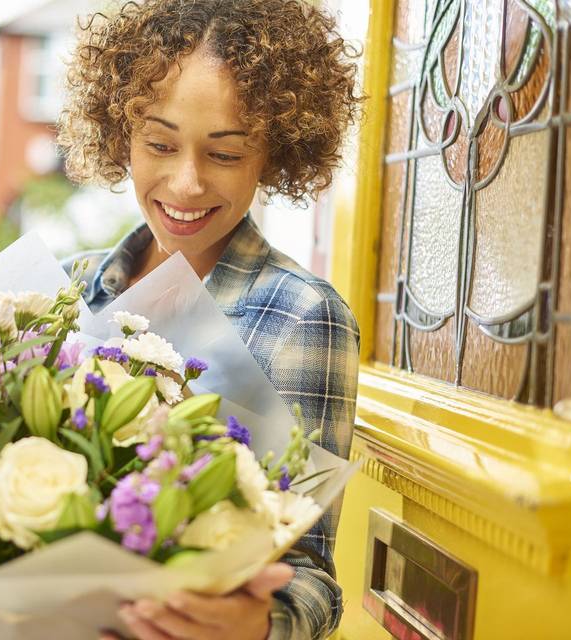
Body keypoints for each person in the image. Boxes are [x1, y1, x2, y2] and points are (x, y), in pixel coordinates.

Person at [57, 1, 361, 638]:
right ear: (122, 136)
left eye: (224, 154)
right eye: (160, 144)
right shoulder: (66, 287)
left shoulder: (304, 316)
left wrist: (257, 624)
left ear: (272, 155)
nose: (187, 183)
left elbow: (309, 570)